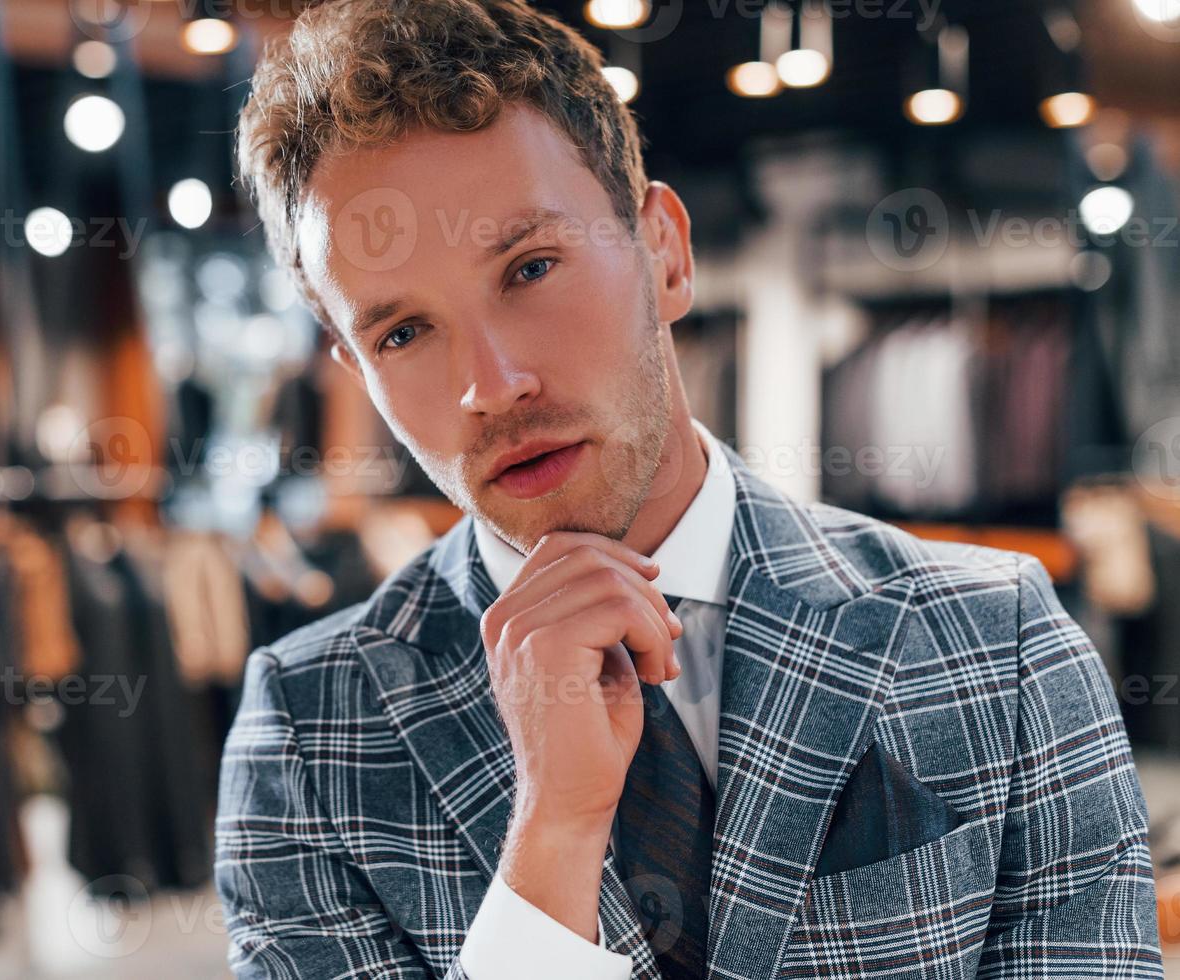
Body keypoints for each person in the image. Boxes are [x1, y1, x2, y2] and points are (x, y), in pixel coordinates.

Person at [215, 1, 1163, 976]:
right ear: (354, 364)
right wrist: (553, 835)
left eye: (531, 266)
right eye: (402, 332)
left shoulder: (996, 642)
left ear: (665, 252)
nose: (489, 385)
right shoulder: (311, 732)